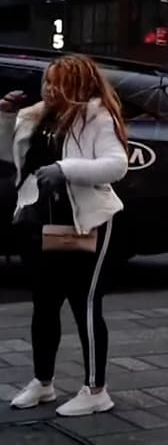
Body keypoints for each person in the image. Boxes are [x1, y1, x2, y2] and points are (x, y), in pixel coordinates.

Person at [0, 55, 128, 416]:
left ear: (77, 84)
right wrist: (7, 117)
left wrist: (65, 169)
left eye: (57, 82)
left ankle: (96, 389)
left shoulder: (96, 116)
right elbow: (11, 160)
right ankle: (43, 382)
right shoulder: (37, 115)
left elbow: (117, 165)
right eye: (46, 81)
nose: (48, 88)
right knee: (43, 305)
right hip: (40, 221)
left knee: (84, 305)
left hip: (88, 222)